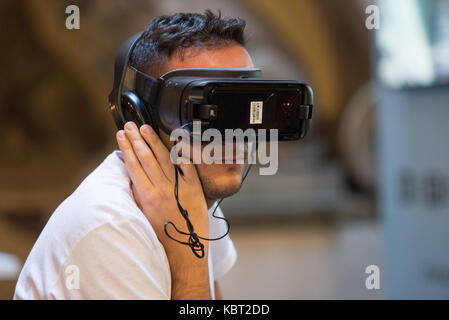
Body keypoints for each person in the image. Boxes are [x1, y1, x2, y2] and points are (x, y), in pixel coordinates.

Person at [14, 9, 254, 300]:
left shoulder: (191, 193)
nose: (233, 134)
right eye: (205, 111)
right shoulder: (110, 228)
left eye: (244, 107)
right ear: (141, 116)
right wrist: (189, 259)